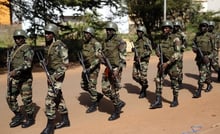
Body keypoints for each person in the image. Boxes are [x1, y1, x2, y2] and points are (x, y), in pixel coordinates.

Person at [41, 24, 70, 134]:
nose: (46, 35)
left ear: (54, 34)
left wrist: (54, 77)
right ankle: (65, 119)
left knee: (49, 99)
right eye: (46, 33)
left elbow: (65, 64)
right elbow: (50, 60)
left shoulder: (60, 46)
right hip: (51, 75)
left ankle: (50, 126)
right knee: (58, 97)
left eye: (49, 33)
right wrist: (44, 63)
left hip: (58, 75)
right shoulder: (48, 46)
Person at [6, 29, 35, 128]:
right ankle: (18, 115)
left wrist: (16, 70)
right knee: (10, 97)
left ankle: (30, 118)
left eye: (20, 38)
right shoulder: (14, 49)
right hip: (15, 78)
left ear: (23, 38)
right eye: (16, 38)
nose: (17, 40)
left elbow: (28, 64)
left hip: (25, 79)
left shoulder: (27, 49)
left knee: (26, 100)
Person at [150, 20, 182, 109]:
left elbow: (178, 53)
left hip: (172, 64)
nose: (165, 30)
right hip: (162, 63)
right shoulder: (161, 39)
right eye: (164, 28)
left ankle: (175, 100)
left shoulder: (176, 39)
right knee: (158, 80)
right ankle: (158, 101)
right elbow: (157, 48)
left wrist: (168, 63)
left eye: (167, 28)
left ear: (170, 29)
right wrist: (157, 52)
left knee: (174, 82)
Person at [100, 22, 126, 121]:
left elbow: (123, 58)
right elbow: (101, 52)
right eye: (107, 30)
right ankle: (118, 102)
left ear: (114, 31)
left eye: (110, 30)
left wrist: (118, 70)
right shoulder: (105, 41)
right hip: (107, 68)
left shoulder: (120, 41)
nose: (107, 31)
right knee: (105, 89)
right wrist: (101, 58)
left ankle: (117, 111)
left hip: (116, 68)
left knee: (114, 90)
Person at [79, 27, 103, 113]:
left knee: (91, 85)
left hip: (94, 68)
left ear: (90, 34)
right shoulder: (85, 43)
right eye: (84, 33)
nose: (85, 35)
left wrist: (91, 68)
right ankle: (98, 95)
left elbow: (98, 58)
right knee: (83, 85)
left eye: (86, 33)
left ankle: (94, 104)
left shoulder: (96, 44)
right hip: (86, 67)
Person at [192, 20, 215, 98]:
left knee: (202, 74)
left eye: (204, 26)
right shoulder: (197, 35)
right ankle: (209, 84)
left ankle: (199, 90)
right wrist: (194, 48)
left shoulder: (210, 36)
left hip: (207, 57)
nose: (203, 28)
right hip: (199, 57)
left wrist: (208, 57)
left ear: (207, 27)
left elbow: (214, 50)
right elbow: (193, 44)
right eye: (202, 26)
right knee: (205, 73)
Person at [132, 25, 152, 98]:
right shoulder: (137, 41)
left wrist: (141, 56)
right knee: (134, 76)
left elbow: (150, 51)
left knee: (143, 77)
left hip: (143, 62)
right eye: (138, 32)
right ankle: (145, 85)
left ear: (143, 33)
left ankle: (143, 91)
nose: (138, 33)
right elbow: (137, 50)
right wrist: (133, 50)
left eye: (140, 32)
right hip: (137, 61)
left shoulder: (146, 40)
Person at [173, 20, 187, 86]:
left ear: (179, 27)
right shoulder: (172, 33)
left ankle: (180, 80)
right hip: (173, 52)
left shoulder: (182, 34)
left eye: (177, 26)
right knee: (173, 66)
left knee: (179, 66)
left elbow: (185, 42)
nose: (175, 28)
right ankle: (175, 80)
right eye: (175, 26)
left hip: (179, 52)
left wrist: (182, 47)